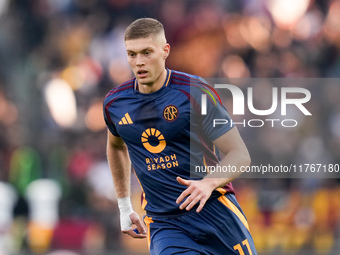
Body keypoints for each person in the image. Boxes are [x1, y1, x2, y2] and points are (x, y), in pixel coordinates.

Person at [103, 18, 257, 255]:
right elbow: (115, 146)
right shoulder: (115, 104)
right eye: (132, 54)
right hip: (166, 224)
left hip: (215, 212)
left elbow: (240, 155)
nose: (139, 62)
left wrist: (209, 183)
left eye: (146, 52)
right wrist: (124, 207)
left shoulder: (195, 92)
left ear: (165, 51)